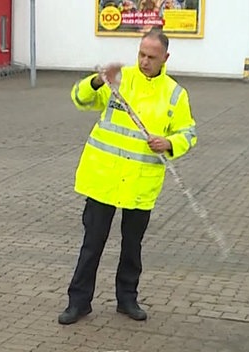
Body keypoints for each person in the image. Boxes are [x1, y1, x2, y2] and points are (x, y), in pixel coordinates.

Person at [58, 29, 198, 325]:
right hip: (103, 179)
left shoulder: (175, 94)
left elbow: (188, 133)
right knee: (92, 245)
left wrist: (170, 143)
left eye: (152, 57)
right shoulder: (120, 79)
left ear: (165, 58)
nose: (145, 61)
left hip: (140, 183)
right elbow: (80, 99)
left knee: (132, 247)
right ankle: (79, 303)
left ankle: (127, 300)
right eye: (141, 54)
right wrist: (97, 80)